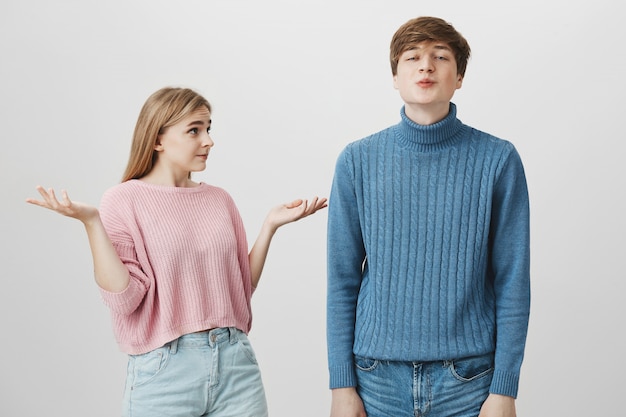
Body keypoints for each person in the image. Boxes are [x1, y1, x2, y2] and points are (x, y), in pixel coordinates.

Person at [26, 86, 327, 417]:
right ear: (158, 139)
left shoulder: (219, 199)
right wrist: (92, 223)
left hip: (235, 364)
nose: (208, 140)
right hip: (164, 371)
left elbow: (239, 290)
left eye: (208, 128)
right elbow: (125, 300)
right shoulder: (122, 199)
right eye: (194, 130)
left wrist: (269, 225)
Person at [326, 16, 530, 417]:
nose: (426, 66)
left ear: (459, 78)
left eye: (440, 56)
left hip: (469, 380)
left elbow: (512, 279)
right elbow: (342, 279)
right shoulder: (357, 160)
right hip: (376, 378)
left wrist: (505, 388)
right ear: (395, 76)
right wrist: (341, 385)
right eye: (412, 57)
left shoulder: (498, 160)